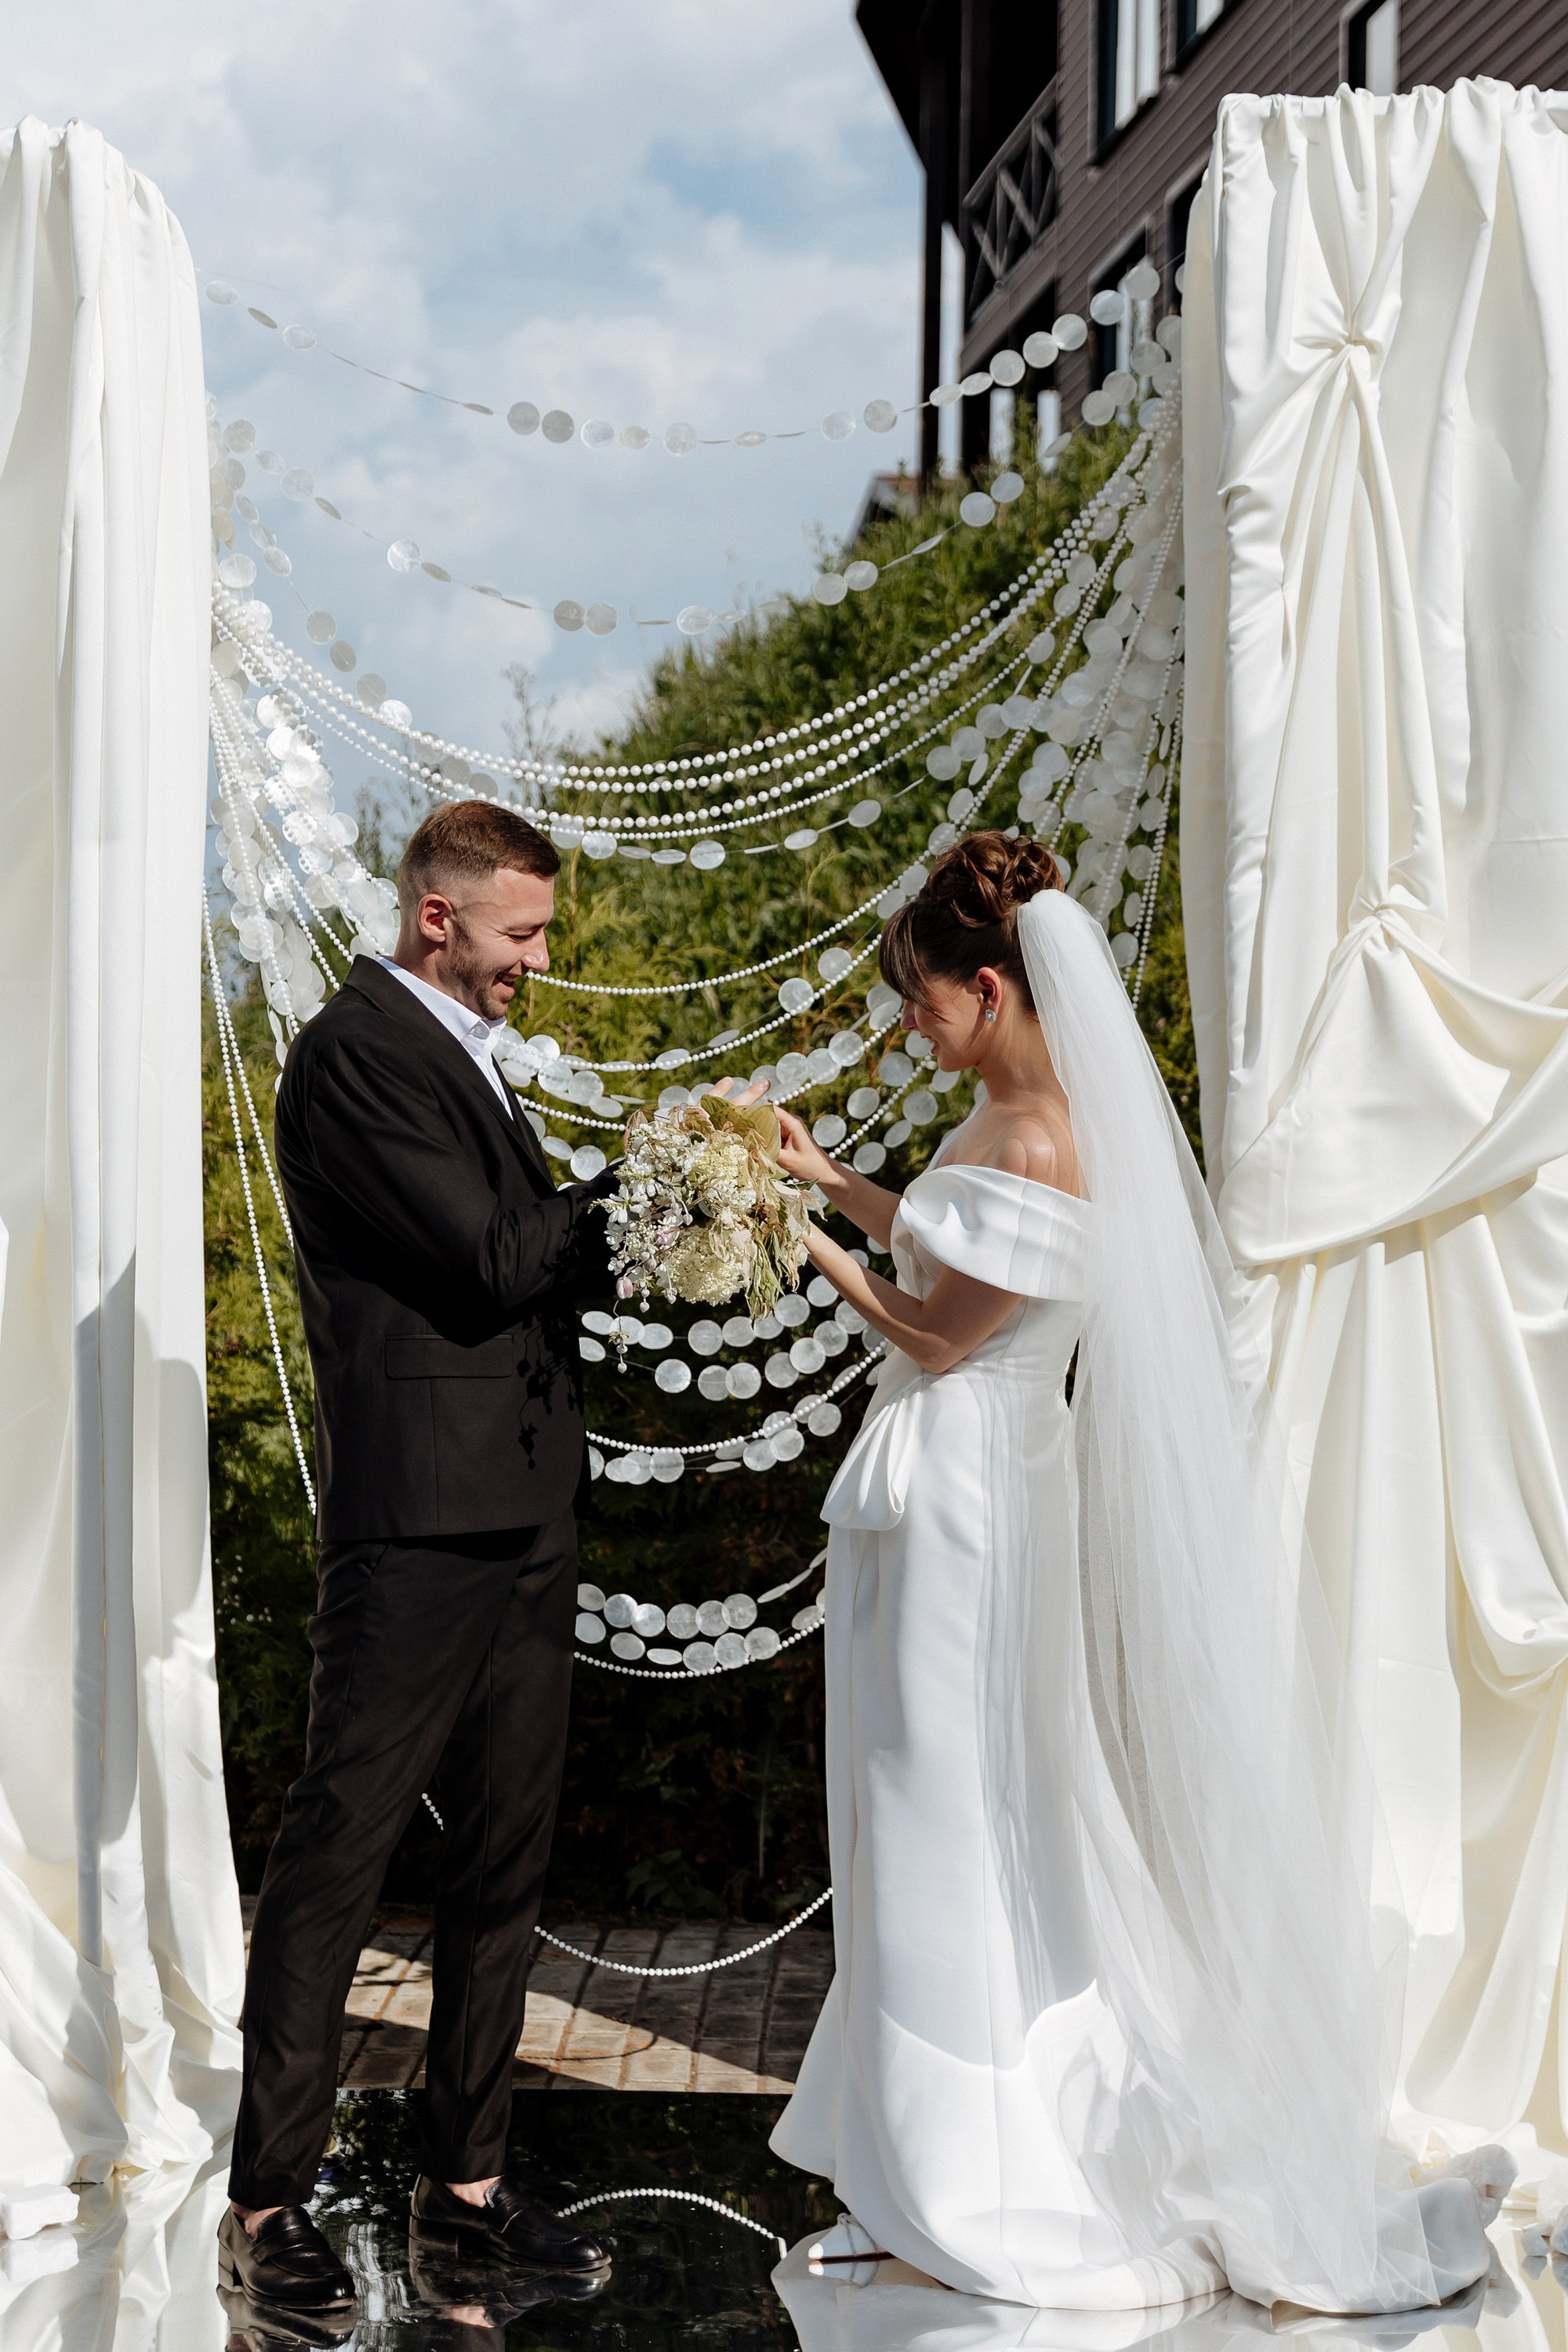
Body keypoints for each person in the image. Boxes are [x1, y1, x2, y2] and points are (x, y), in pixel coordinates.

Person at [766, 833, 1511, 2314]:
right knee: (916, 1802)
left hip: (972, 1499)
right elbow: (942, 1243)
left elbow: (937, 1333)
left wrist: (805, 1247)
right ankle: (900, 2162)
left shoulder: (1040, 1139)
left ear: (990, 987)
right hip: (948, 1488)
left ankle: (964, 2170)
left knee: (949, 1811)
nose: (909, 1023)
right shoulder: (1009, 1119)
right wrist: (831, 1180)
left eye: (923, 1000)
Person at [221, 801, 615, 2311]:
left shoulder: (464, 1060)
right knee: (342, 1853)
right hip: (417, 1525)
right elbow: (495, 1259)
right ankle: (268, 2204)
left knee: (505, 1860)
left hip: (524, 1511)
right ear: (434, 914)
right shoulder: (356, 1056)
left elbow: (522, 1262)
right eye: (520, 933)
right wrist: (657, 1180)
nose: (535, 960)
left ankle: (464, 2190)